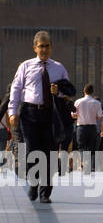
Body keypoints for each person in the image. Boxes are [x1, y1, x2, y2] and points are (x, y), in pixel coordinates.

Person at [7, 31, 75, 203]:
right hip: (29, 114)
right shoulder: (25, 66)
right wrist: (12, 112)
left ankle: (45, 193)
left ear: (51, 47)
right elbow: (15, 89)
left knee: (50, 153)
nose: (44, 49)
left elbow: (69, 92)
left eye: (47, 46)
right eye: (41, 46)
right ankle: (34, 183)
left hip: (51, 115)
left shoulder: (59, 68)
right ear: (35, 48)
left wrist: (58, 91)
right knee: (32, 151)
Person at [73, 84, 103, 173]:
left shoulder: (78, 102)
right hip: (92, 128)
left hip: (81, 127)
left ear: (84, 91)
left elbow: (74, 115)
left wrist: (78, 115)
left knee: (81, 146)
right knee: (90, 146)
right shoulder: (97, 103)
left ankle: (84, 162)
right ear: (92, 92)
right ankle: (88, 164)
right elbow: (99, 116)